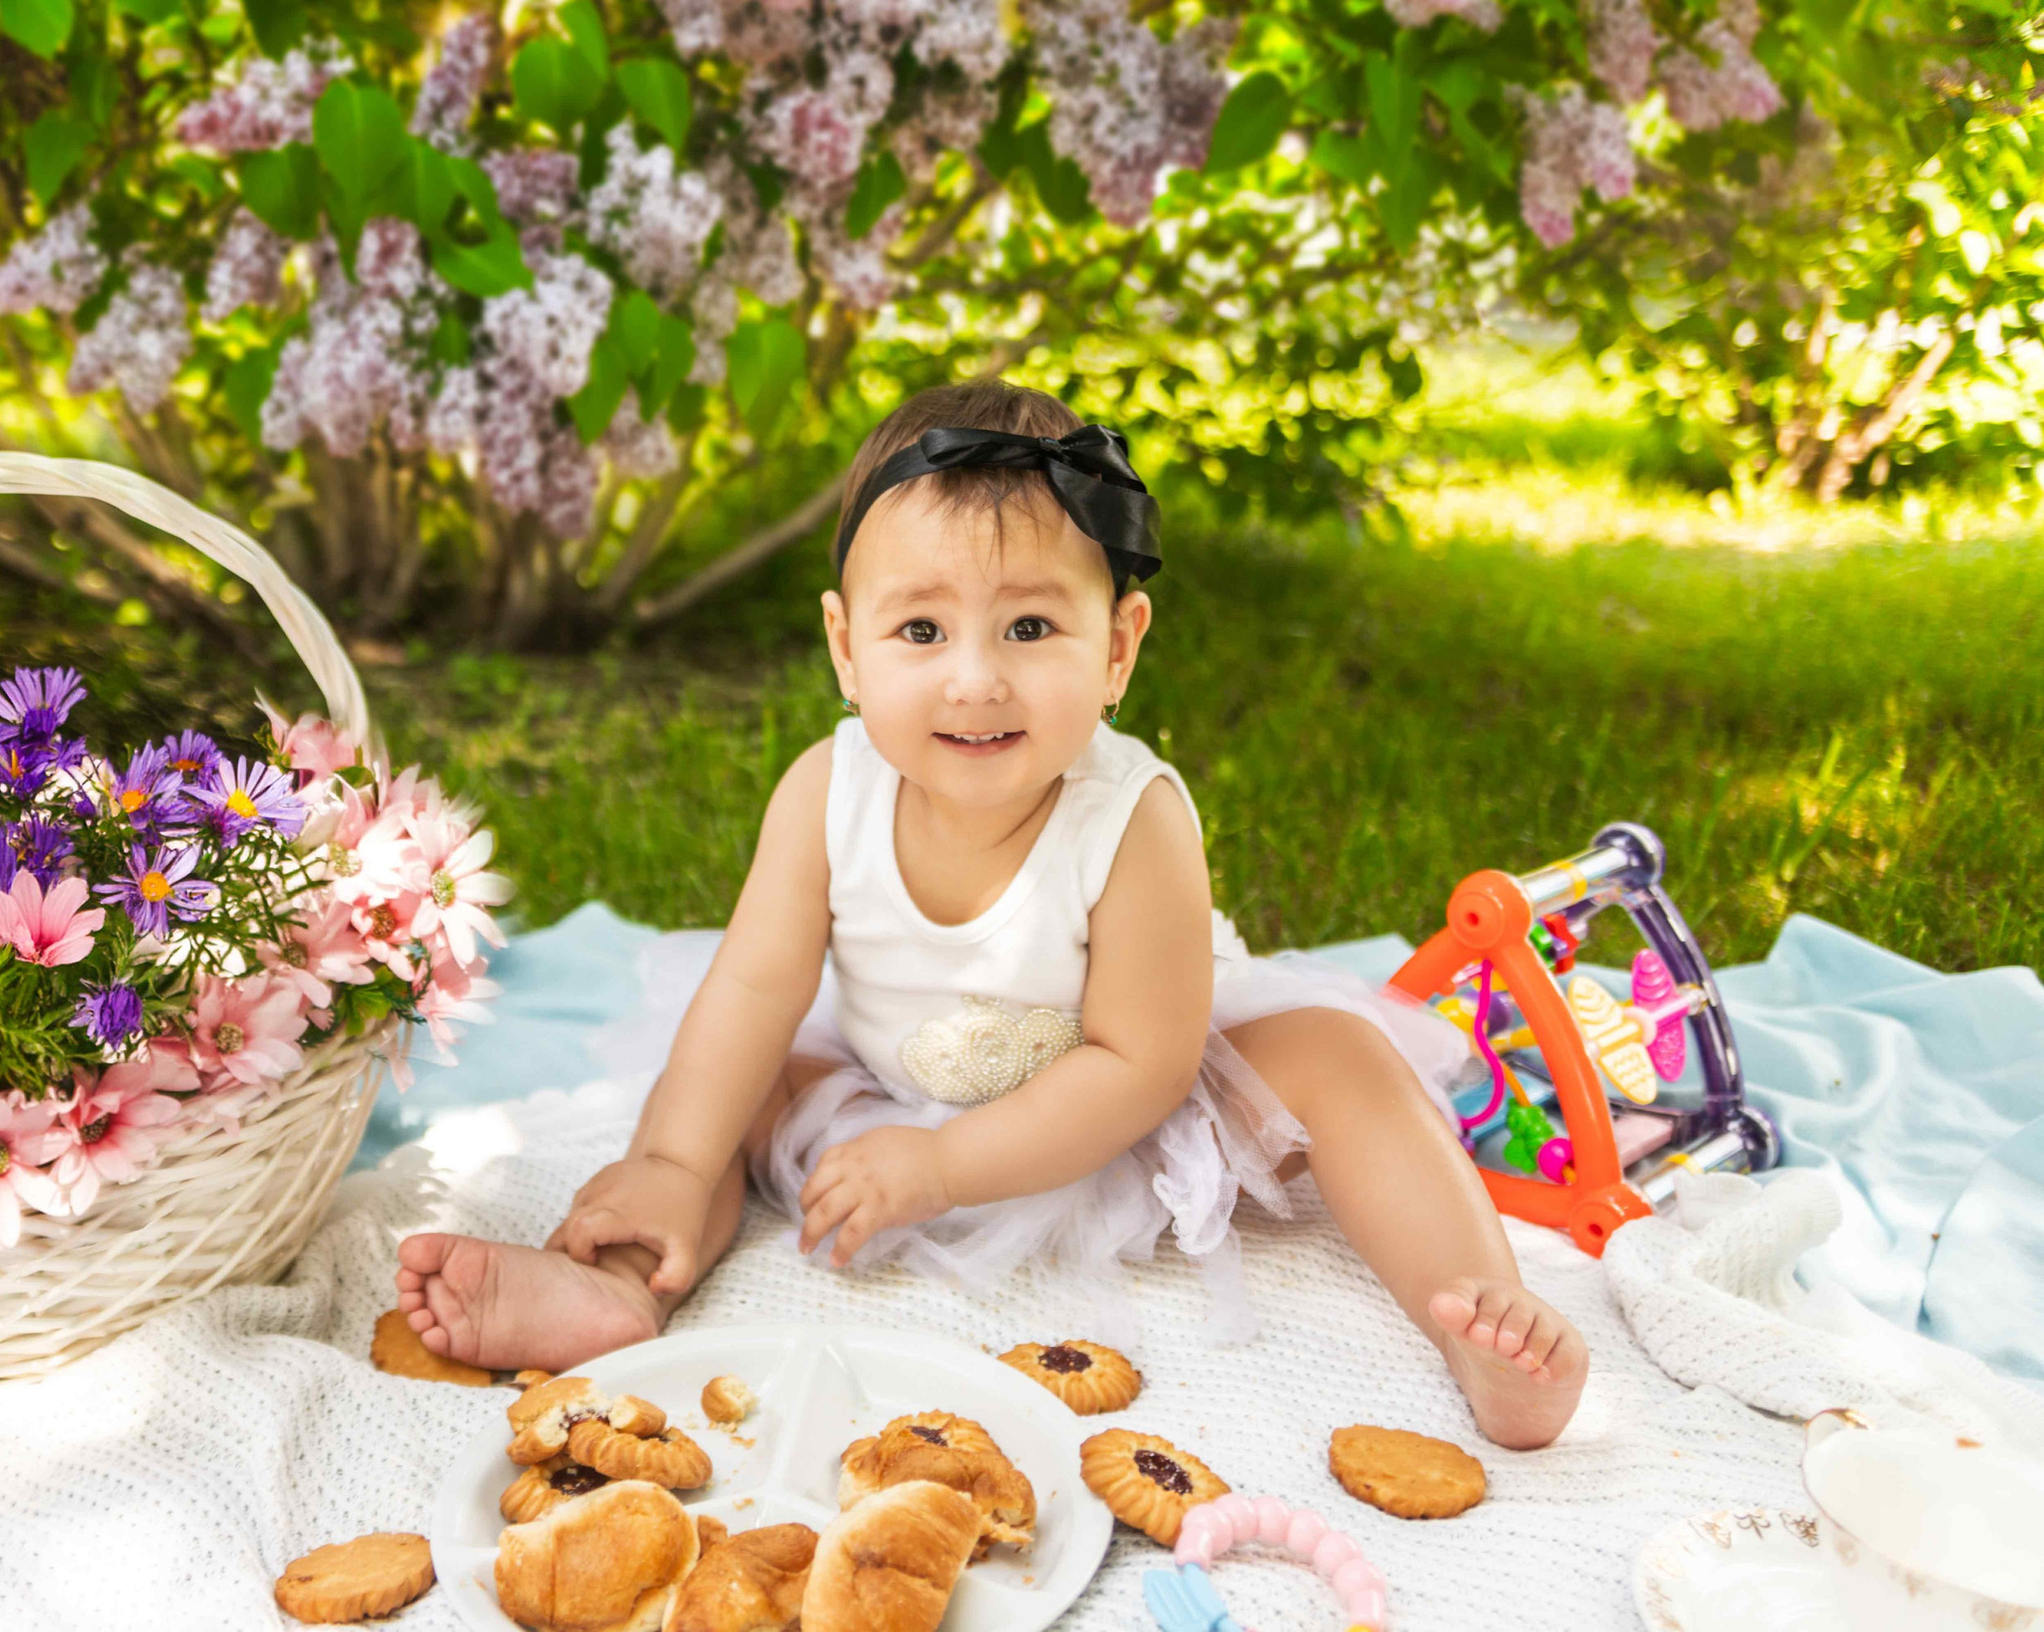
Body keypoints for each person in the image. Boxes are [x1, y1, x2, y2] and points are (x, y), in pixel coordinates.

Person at [396, 379, 1589, 1448]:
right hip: (890, 1083)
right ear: (845, 649)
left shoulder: (1134, 820)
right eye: (920, 630)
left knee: (1341, 1056)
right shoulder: (826, 791)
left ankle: (1479, 1315)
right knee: (738, 1083)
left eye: (1030, 627)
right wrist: (671, 1156)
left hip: (1120, 1103)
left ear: (1118, 647)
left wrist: (947, 1164)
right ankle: (625, 1281)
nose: (974, 676)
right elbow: (755, 987)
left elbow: (1142, 1061)